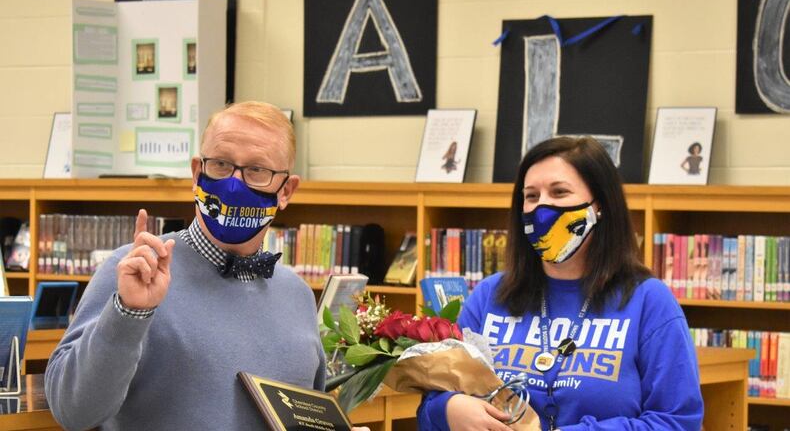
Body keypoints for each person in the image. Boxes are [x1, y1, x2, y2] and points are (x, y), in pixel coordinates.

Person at [45, 102, 368, 430]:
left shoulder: (296, 295)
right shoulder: (136, 271)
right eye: (221, 164)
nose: (234, 184)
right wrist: (128, 312)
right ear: (197, 172)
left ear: (286, 191)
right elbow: (73, 411)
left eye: (257, 170)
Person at [417, 137, 703, 430]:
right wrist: (447, 409)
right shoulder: (490, 296)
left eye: (559, 192)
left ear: (600, 205)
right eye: (531, 196)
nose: (542, 206)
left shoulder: (649, 301)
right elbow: (432, 404)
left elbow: (677, 421)